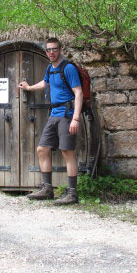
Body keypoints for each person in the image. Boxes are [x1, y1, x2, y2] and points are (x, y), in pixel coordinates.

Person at [18, 38, 83, 205]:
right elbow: (45, 83)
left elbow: (78, 92)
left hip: (67, 114)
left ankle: (72, 194)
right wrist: (29, 87)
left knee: (67, 152)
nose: (51, 52)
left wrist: (75, 118)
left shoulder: (68, 68)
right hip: (54, 114)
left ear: (60, 49)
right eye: (48, 50)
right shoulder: (49, 68)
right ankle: (47, 189)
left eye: (54, 49)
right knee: (42, 149)